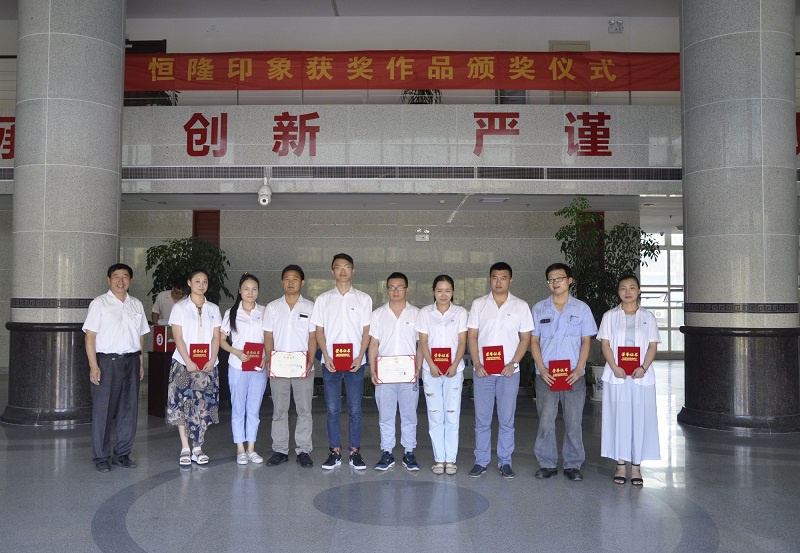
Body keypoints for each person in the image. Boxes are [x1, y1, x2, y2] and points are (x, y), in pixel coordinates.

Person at [530, 263, 597, 481]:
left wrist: (579, 368)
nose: (555, 282)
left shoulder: (582, 309)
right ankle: (547, 463)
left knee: (573, 421)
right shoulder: (539, 308)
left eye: (559, 278)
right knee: (545, 420)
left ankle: (573, 464)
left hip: (573, 375)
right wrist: (541, 368)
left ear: (570, 280)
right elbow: (534, 341)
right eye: (551, 279)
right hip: (546, 375)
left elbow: (586, 341)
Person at [467, 262, 534, 479]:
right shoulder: (479, 304)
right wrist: (477, 364)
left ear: (510, 280)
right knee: (482, 420)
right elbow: (472, 336)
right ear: (489, 279)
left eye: (503, 278)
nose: (498, 282)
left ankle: (505, 462)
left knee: (506, 420)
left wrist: (513, 363)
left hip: (509, 373)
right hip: (483, 372)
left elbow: (525, 339)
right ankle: (481, 461)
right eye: (495, 277)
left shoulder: (520, 305)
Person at [83, 263, 150, 473]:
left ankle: (122, 454)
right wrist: (93, 365)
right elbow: (90, 336)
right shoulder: (99, 304)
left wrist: (140, 363)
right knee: (103, 411)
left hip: (131, 361)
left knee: (129, 410)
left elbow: (140, 336)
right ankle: (101, 456)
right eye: (116, 276)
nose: (121, 281)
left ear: (130, 280)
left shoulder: (136, 304)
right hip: (107, 362)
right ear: (108, 280)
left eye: (125, 276)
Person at [597, 274, 661, 486]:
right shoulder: (610, 316)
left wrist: (643, 368)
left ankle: (636, 466)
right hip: (617, 376)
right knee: (618, 418)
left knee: (640, 419)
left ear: (639, 291)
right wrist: (615, 367)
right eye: (623, 288)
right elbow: (605, 344)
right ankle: (620, 464)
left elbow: (652, 345)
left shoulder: (648, 317)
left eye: (632, 287)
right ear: (618, 292)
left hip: (641, 377)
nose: (627, 292)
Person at [311, 253, 372, 470]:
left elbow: (366, 331)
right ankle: (334, 452)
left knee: (355, 409)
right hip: (331, 363)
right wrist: (326, 356)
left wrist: (361, 355)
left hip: (356, 362)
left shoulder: (364, 299)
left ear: (353, 270)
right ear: (332, 271)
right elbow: (319, 330)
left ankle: (355, 452)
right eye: (338, 267)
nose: (343, 271)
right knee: (332, 409)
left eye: (347, 267)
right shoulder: (323, 299)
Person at [262, 265, 317, 468]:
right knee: (279, 410)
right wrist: (270, 360)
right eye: (286, 278)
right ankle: (280, 450)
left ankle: (303, 450)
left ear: (302, 282)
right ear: (282, 282)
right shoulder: (272, 307)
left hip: (303, 367)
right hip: (279, 367)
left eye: (295, 279)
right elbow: (268, 336)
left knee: (304, 410)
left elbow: (313, 337)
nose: (290, 282)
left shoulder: (311, 307)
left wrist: (310, 361)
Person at [167, 268, 222, 466]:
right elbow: (178, 337)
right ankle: (185, 447)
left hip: (208, 365)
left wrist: (212, 359)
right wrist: (188, 361)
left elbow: (216, 337)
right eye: (197, 281)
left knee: (203, 405)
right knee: (182, 405)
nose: (201, 285)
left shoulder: (213, 309)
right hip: (183, 364)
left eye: (205, 281)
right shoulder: (179, 308)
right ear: (189, 283)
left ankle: (198, 447)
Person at [369, 272, 421, 471]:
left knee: (409, 415)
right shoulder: (378, 314)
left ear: (407, 289)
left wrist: (418, 367)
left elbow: (421, 344)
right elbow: (374, 343)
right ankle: (387, 452)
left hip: (409, 374)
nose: (396, 291)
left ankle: (409, 452)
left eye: (400, 287)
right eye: (392, 287)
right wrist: (373, 369)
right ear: (387, 290)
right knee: (386, 415)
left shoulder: (416, 314)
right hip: (385, 374)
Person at [416, 274, 468, 475]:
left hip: (454, 370)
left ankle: (451, 460)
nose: (443, 295)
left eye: (447, 291)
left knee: (452, 414)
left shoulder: (461, 313)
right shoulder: (425, 313)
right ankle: (439, 459)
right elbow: (423, 341)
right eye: (439, 291)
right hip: (432, 371)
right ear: (433, 291)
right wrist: (430, 365)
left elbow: (462, 341)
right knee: (435, 414)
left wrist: (454, 365)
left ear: (453, 292)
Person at [219, 273, 268, 465]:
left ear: (258, 291)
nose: (250, 292)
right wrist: (236, 352)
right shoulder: (231, 313)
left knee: (254, 409)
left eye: (254, 289)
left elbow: (270, 339)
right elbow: (222, 341)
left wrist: (266, 357)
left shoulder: (264, 312)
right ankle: (240, 448)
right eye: (246, 289)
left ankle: (251, 448)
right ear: (240, 290)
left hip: (258, 367)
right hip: (237, 366)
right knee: (238, 408)